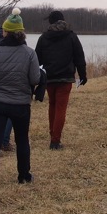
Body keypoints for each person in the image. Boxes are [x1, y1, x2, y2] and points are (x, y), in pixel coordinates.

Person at [0, 9, 41, 194]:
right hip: (21, 104)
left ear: (5, 32)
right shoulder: (30, 53)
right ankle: (24, 176)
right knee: (22, 140)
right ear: (21, 33)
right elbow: (35, 79)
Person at [35, 10, 87, 150]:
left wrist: (35, 77)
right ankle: (55, 141)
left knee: (52, 105)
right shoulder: (71, 36)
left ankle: (53, 134)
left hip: (49, 78)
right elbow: (79, 58)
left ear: (51, 22)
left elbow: (36, 59)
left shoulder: (43, 37)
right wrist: (82, 75)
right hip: (65, 78)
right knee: (60, 108)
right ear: (63, 20)